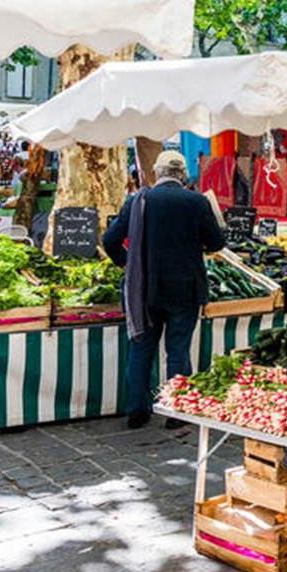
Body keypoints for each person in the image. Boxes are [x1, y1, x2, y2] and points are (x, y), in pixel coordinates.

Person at [102, 150, 226, 429]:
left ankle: (137, 410)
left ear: (156, 172)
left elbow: (109, 240)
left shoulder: (137, 201)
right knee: (178, 350)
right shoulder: (196, 201)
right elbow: (217, 242)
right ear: (182, 175)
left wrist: (126, 263)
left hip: (144, 289)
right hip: (185, 289)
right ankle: (176, 411)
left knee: (141, 349)